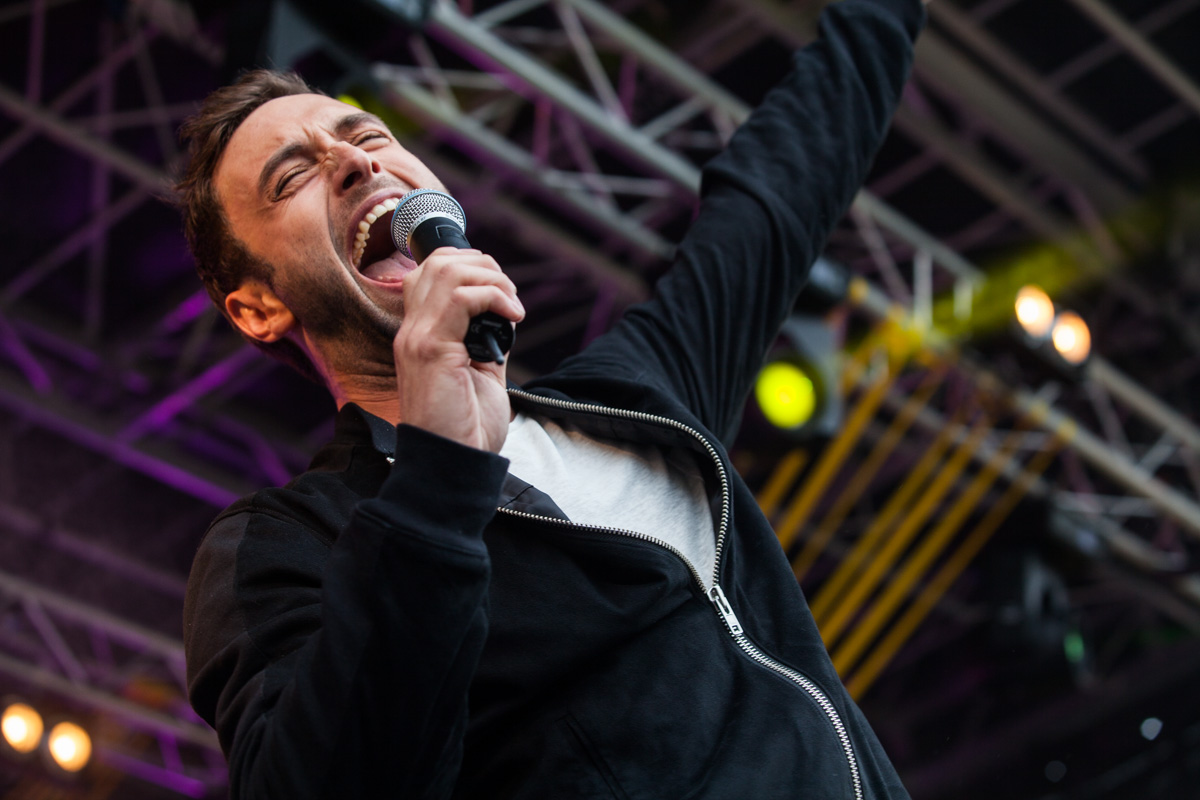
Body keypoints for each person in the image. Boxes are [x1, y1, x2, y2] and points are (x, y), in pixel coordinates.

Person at [179, 0, 927, 796]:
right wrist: (439, 478)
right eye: (293, 174)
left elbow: (781, 185)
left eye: (369, 136)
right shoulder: (287, 543)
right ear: (258, 308)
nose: (356, 162)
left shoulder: (637, 397)